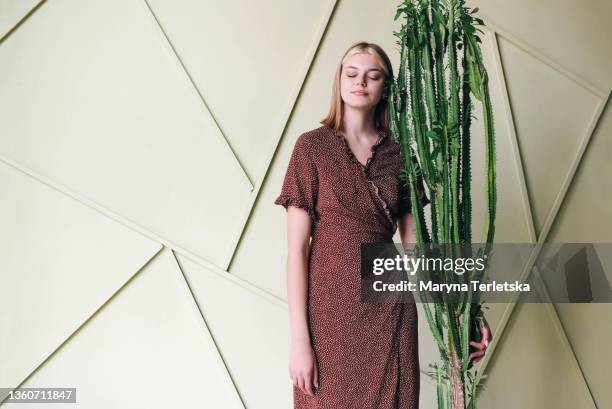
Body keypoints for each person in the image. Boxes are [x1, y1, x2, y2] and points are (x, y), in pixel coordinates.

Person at [274, 41, 490, 409]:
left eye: (373, 76)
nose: (361, 82)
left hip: (390, 311)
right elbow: (296, 251)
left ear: (385, 88)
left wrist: (466, 315)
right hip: (329, 316)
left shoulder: (402, 154)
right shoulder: (310, 148)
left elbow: (414, 249)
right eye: (352, 73)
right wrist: (300, 342)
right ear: (339, 80)